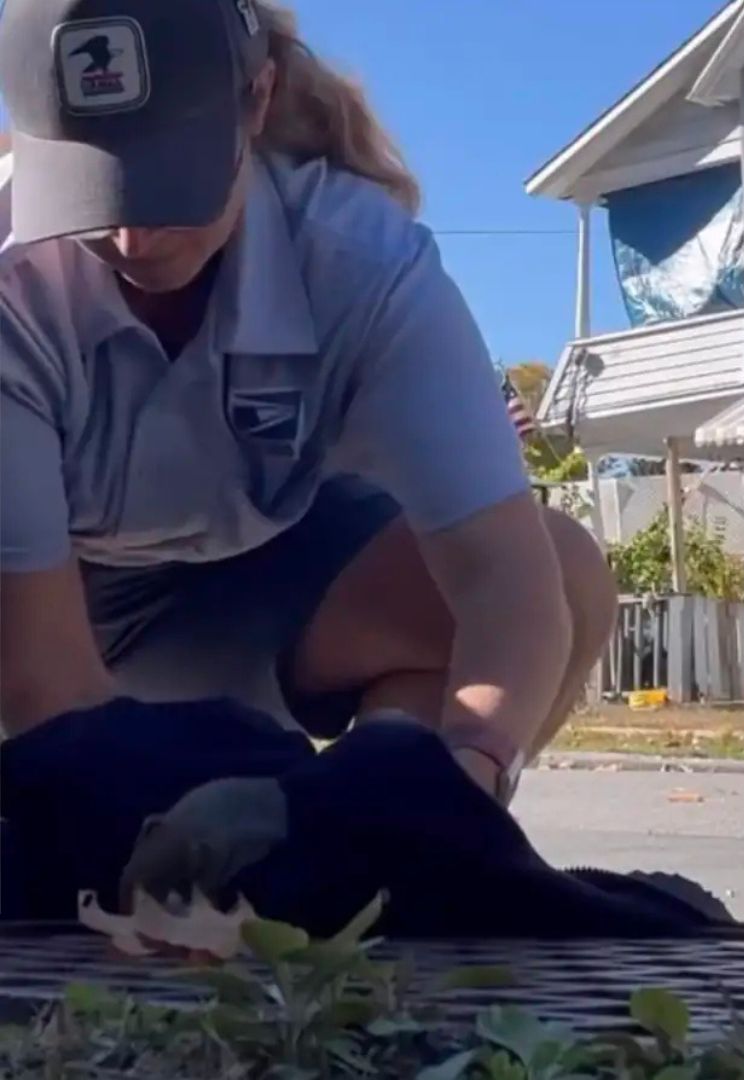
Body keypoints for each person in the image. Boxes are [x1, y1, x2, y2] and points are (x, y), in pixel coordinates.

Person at [0, 0, 617, 806]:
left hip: (275, 582)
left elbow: (511, 587)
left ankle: (382, 832)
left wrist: (466, 776)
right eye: (94, 190)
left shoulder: (361, 261)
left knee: (565, 570)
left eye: (168, 181)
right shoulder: (11, 285)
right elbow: (40, 685)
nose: (131, 241)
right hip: (59, 604)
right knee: (116, 836)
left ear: (256, 100)